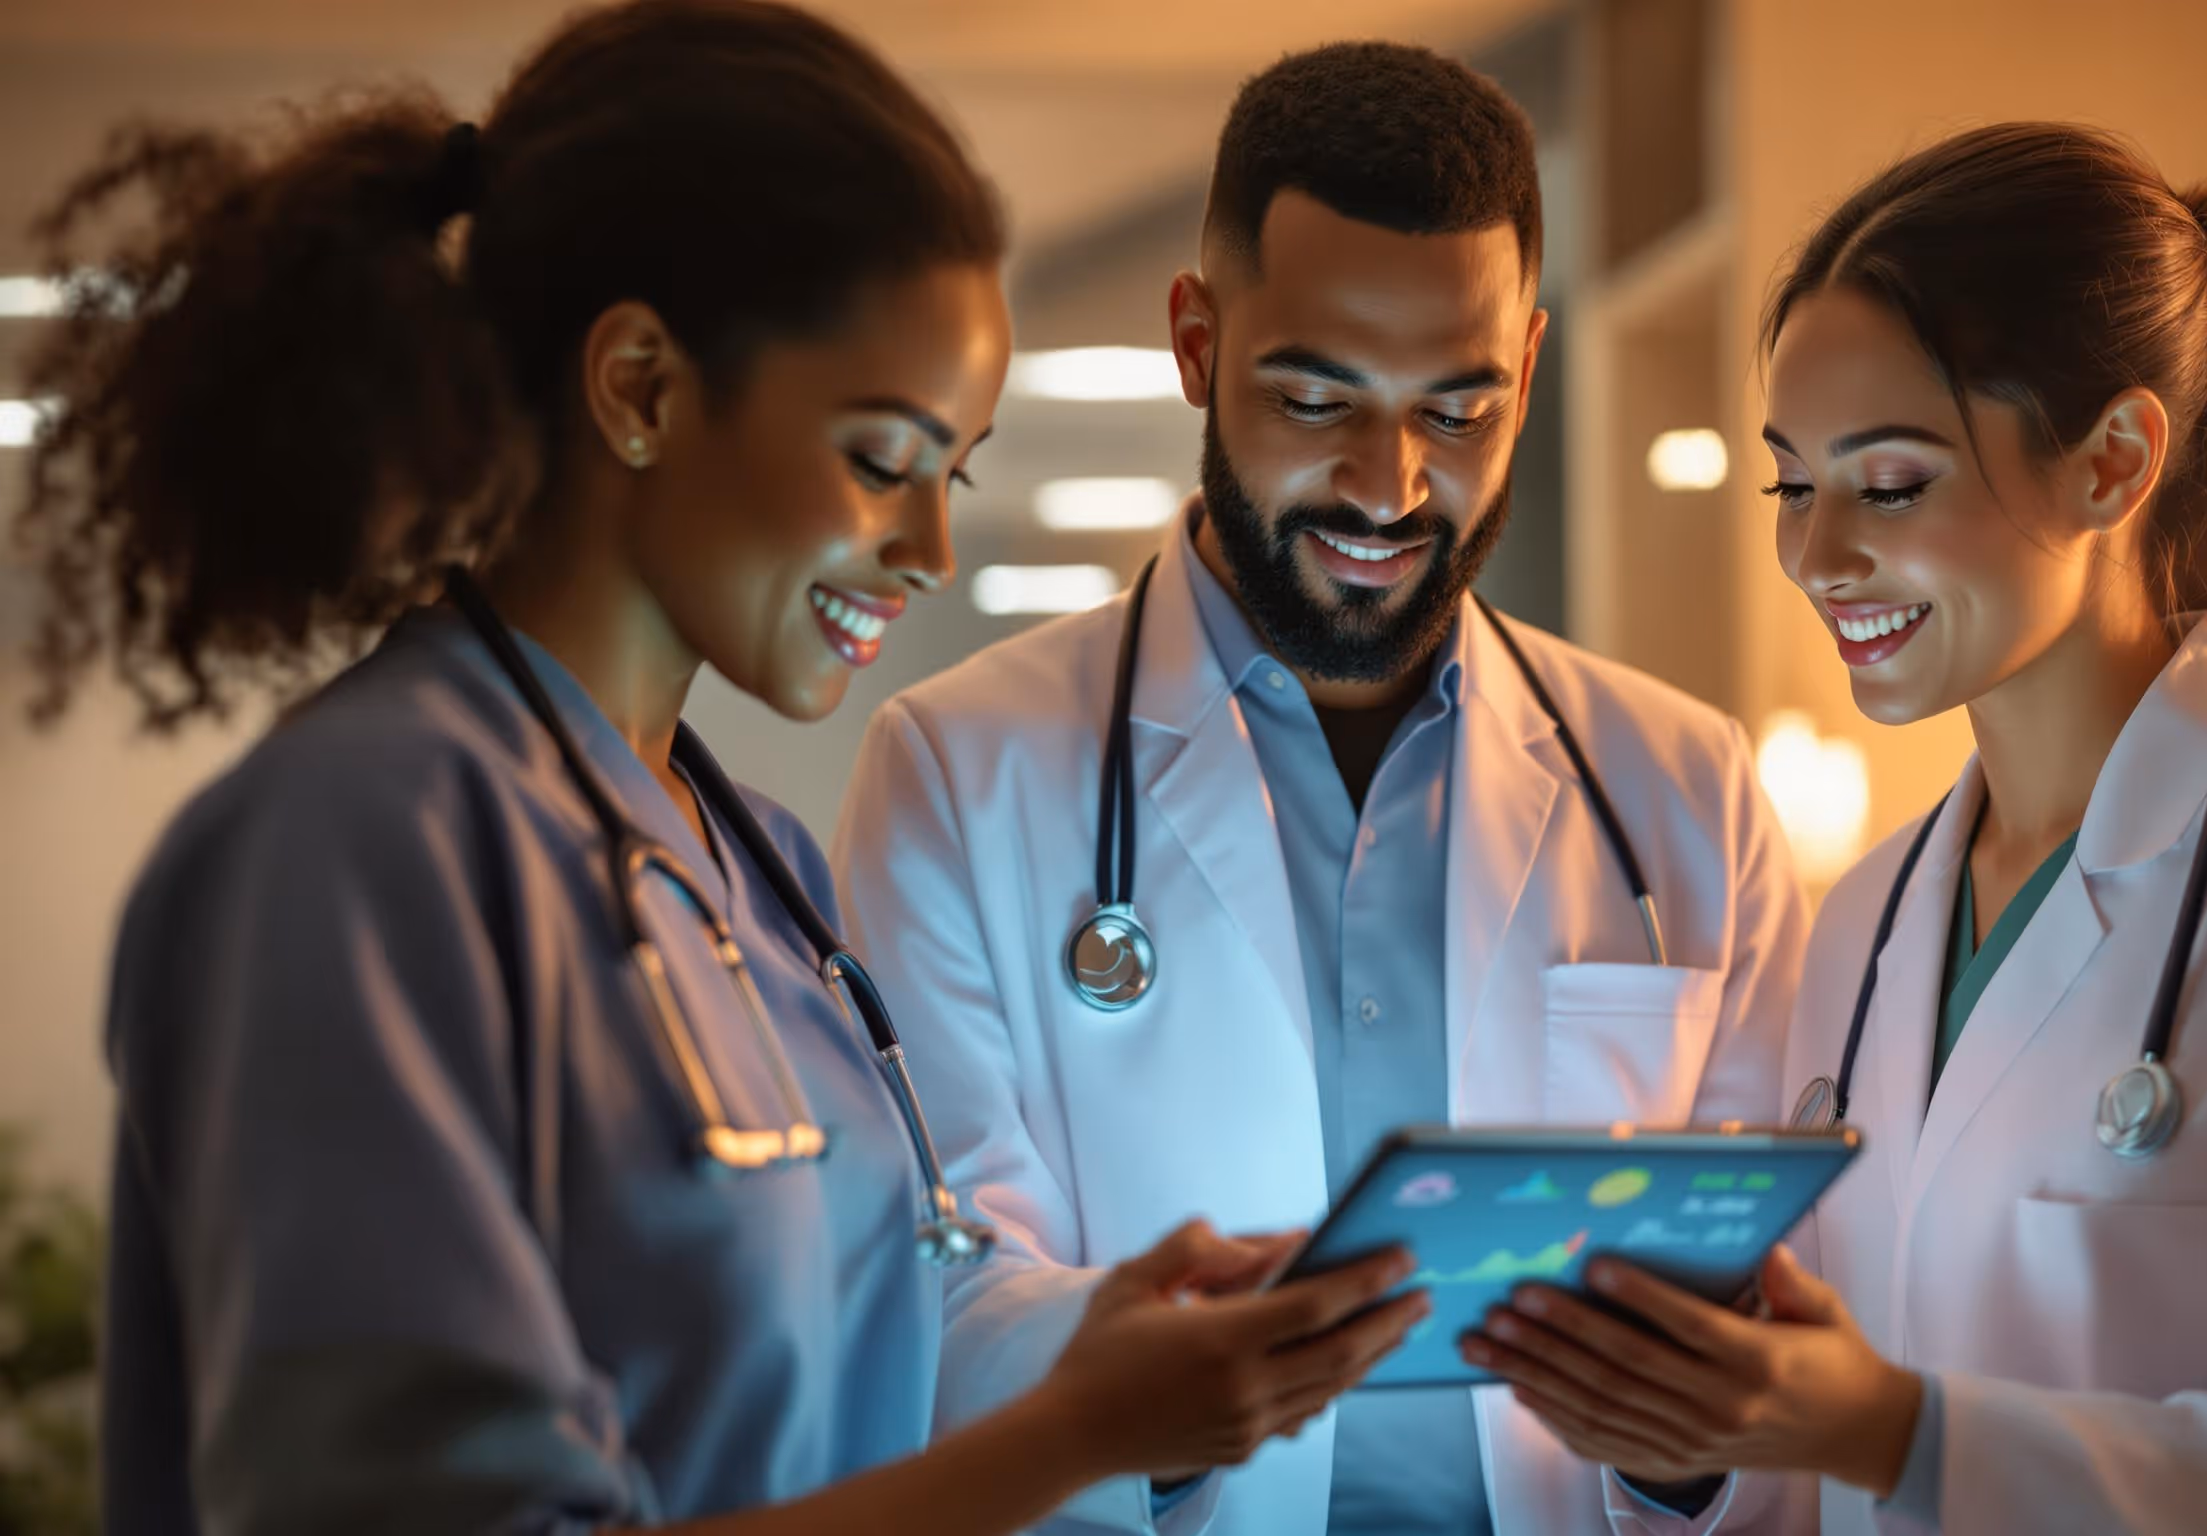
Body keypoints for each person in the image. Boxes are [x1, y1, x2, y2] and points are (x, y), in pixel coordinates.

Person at [21, 3, 1424, 1530]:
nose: (931, 550)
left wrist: (1096, 1348)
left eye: (952, 476)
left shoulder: (759, 871)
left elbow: (840, 1375)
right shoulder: (354, 845)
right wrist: (1075, 1436)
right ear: (639, 386)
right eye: (881, 461)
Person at [1460, 122, 2207, 1534]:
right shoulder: (1865, 924)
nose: (1816, 555)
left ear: (2112, 463)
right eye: (1792, 484)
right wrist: (1688, 1446)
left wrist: (1902, 1431)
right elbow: (1820, 1482)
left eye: (1890, 484)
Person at [832, 40, 1807, 1536]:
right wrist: (1145, 1396)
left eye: (1458, 412)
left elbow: (1785, 1339)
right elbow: (933, 1286)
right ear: (1197, 344)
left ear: (1529, 368)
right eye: (1315, 399)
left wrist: (1691, 1447)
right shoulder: (958, 773)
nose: (1387, 485)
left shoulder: (1685, 788)